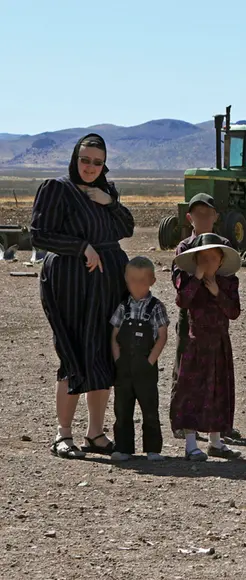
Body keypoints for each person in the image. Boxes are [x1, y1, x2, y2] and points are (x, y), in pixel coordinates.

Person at [29, 133, 135, 459]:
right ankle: (63, 434)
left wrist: (111, 203)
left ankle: (96, 434)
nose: (90, 167)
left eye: (97, 162)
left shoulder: (106, 192)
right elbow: (39, 233)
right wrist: (81, 247)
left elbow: (127, 228)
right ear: (75, 158)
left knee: (103, 351)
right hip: (69, 278)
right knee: (72, 352)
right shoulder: (57, 189)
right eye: (85, 160)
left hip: (108, 280)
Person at [169, 193, 241, 441]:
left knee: (218, 377)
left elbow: (233, 308)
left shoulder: (224, 245)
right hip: (191, 322)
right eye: (198, 214)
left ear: (215, 216)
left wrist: (218, 293)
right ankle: (183, 424)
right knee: (187, 373)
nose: (203, 218)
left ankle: (217, 429)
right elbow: (181, 292)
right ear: (189, 218)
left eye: (207, 213)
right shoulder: (185, 248)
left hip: (217, 329)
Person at [109, 256, 169, 462]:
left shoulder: (156, 307)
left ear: (152, 280)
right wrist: (118, 360)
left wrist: (150, 361)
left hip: (145, 368)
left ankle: (153, 449)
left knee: (149, 409)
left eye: (142, 281)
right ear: (126, 279)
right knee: (122, 409)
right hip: (124, 367)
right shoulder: (123, 306)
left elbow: (162, 336)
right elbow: (114, 336)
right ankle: (123, 447)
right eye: (132, 280)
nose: (137, 285)